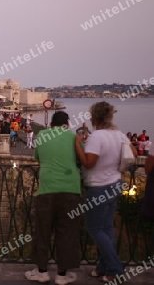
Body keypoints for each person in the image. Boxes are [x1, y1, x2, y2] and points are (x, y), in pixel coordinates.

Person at [75, 102, 137, 283]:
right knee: (107, 227)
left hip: (99, 186)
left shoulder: (97, 136)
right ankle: (103, 268)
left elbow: (89, 162)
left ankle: (115, 268)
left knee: (94, 228)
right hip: (116, 183)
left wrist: (78, 144)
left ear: (95, 117)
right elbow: (132, 153)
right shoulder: (119, 135)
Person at [25, 111, 81, 285]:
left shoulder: (41, 135)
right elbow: (82, 157)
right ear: (67, 124)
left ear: (50, 125)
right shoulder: (73, 136)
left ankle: (42, 272)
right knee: (67, 233)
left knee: (42, 231)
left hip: (47, 189)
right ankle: (62, 275)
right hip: (71, 189)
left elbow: (38, 158)